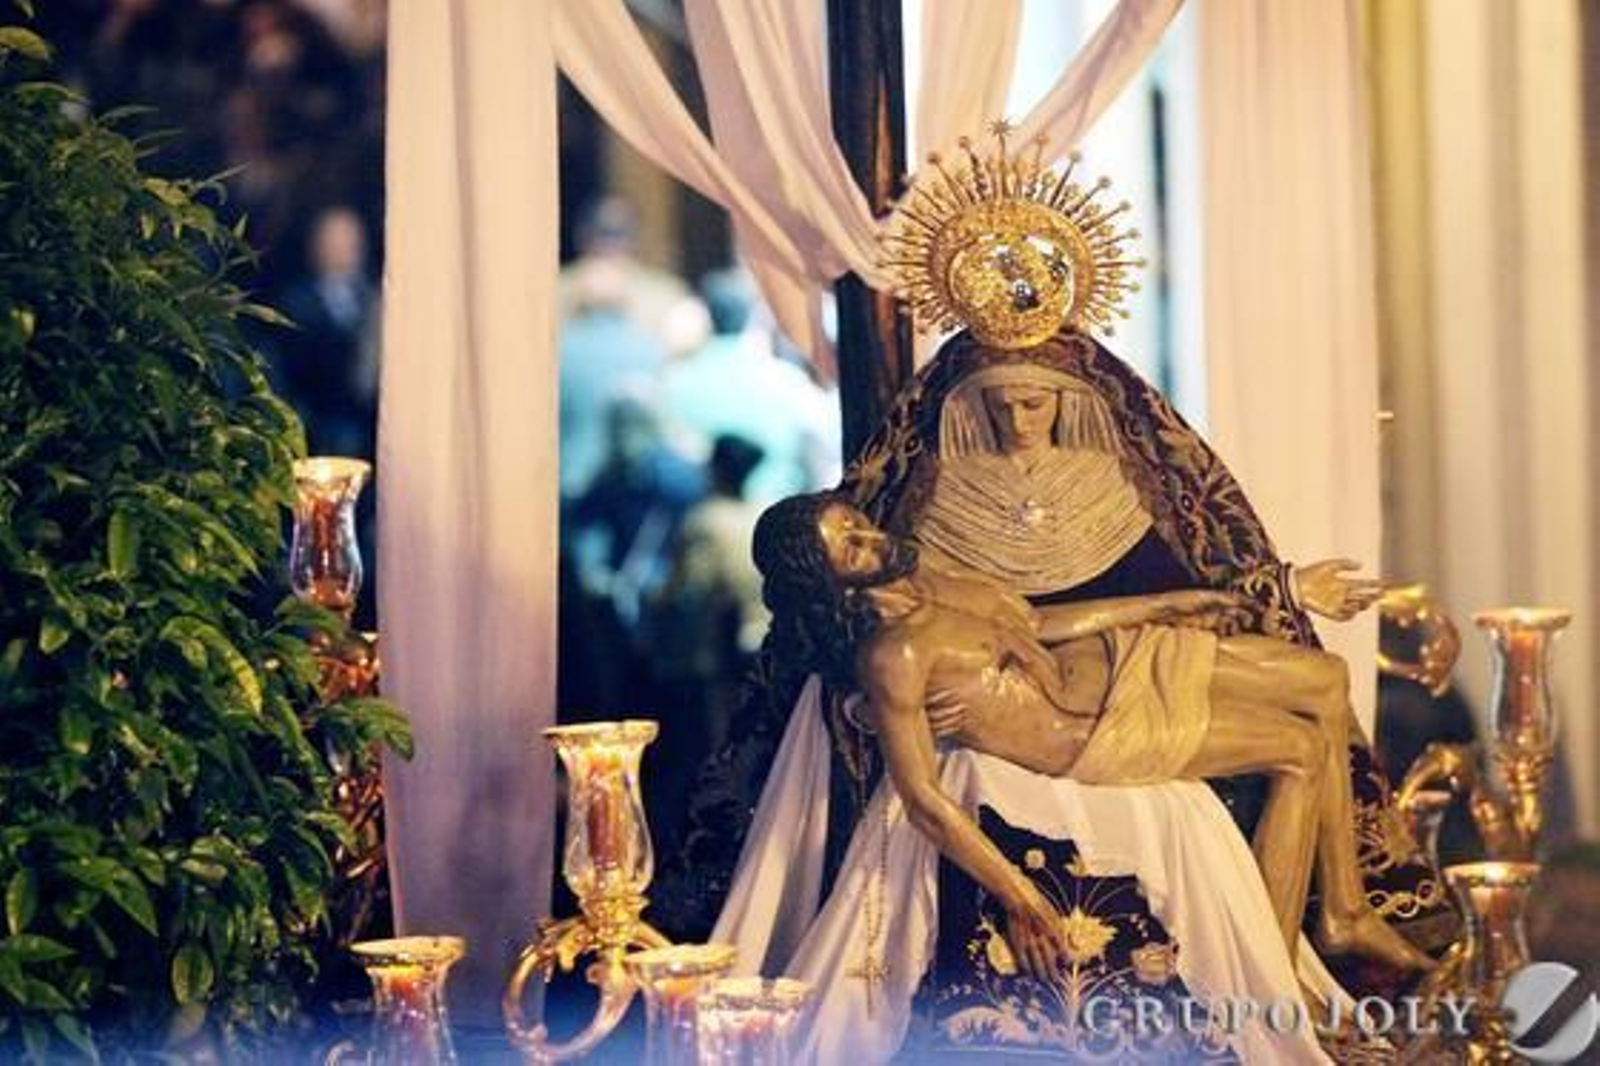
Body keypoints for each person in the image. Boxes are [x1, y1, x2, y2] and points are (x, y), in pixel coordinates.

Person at [752, 492, 1434, 977]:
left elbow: (1035, 623)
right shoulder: (892, 654)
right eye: (851, 547)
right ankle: (1269, 977)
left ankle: (1344, 907)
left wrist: (1164, 604)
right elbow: (926, 799)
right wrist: (1024, 898)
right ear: (830, 584)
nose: (871, 538)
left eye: (857, 523)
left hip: (1116, 665)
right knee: (1299, 749)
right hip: (1090, 732)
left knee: (1324, 678)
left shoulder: (927, 580)